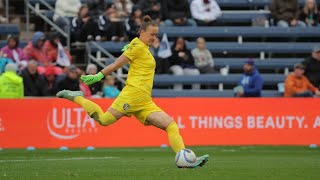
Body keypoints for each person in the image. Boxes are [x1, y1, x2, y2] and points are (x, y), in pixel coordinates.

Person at [57, 15, 208, 168]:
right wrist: (98, 76)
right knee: (104, 120)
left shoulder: (142, 47)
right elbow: (116, 64)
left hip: (145, 101)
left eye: (156, 35)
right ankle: (77, 97)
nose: (154, 38)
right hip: (132, 94)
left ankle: (185, 160)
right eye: (152, 34)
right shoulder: (136, 47)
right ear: (142, 32)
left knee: (171, 126)